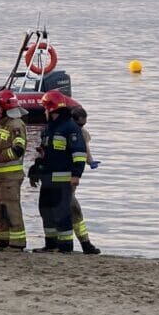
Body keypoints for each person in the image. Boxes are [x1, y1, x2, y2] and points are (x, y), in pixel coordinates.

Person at [32, 90, 87, 253]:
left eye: (45, 108)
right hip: (48, 178)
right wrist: (36, 168)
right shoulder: (48, 129)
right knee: (46, 210)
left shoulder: (70, 128)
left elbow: (79, 154)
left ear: (51, 108)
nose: (44, 111)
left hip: (63, 179)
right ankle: (51, 244)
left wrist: (76, 175)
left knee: (62, 213)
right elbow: (46, 153)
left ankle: (65, 247)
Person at [0, 89, 29, 250]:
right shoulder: (4, 125)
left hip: (11, 176)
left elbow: (18, 149)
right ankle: (3, 240)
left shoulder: (16, 125)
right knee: (0, 208)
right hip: (0, 176)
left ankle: (18, 243)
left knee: (11, 208)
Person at [69, 107, 101, 255]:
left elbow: (85, 150)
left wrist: (90, 161)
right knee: (72, 210)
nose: (81, 127)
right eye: (80, 123)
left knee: (72, 209)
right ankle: (84, 243)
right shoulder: (70, 130)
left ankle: (84, 243)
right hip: (64, 177)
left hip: (70, 177)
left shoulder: (80, 132)